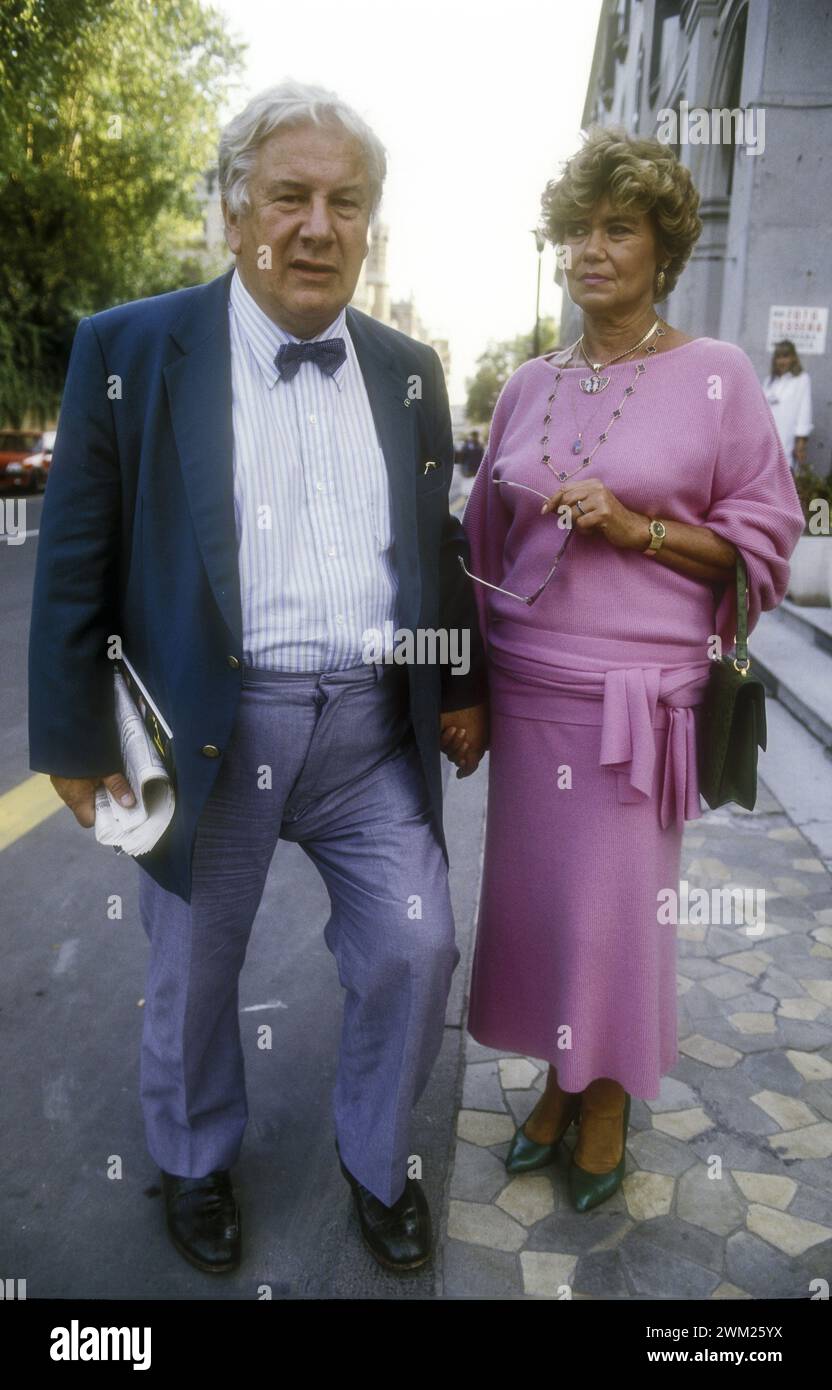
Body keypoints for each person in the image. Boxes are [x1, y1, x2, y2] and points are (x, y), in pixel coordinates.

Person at [27, 79, 488, 1276]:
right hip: (207, 733)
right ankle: (192, 1157)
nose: (318, 226)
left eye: (346, 203)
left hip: (366, 734)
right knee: (192, 967)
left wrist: (457, 680)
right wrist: (73, 735)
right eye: (288, 196)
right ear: (234, 211)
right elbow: (73, 558)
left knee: (416, 944)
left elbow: (433, 547)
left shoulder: (407, 365)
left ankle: (378, 1160)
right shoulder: (131, 348)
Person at [460, 126, 804, 1213]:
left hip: (636, 701)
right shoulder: (524, 383)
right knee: (536, 905)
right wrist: (461, 684)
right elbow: (479, 543)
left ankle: (603, 1096)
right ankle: (557, 1086)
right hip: (526, 690)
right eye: (576, 230)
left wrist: (639, 529)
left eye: (618, 229)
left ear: (664, 249)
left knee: (611, 909)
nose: (590, 249)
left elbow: (765, 545)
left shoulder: (718, 376)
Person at [762, 338, 813, 472]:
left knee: (785, 477)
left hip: (787, 439)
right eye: (778, 357)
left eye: (786, 356)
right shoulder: (769, 381)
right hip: (766, 440)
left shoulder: (801, 379)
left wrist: (801, 442)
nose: (782, 361)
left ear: (793, 358)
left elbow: (804, 411)